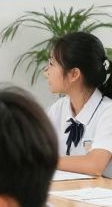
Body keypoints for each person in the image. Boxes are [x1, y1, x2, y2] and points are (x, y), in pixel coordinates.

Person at [44, 30, 112, 177]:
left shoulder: (108, 112)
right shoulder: (59, 108)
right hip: (69, 193)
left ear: (74, 74)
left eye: (51, 63)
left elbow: (95, 165)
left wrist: (45, 160)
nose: (46, 70)